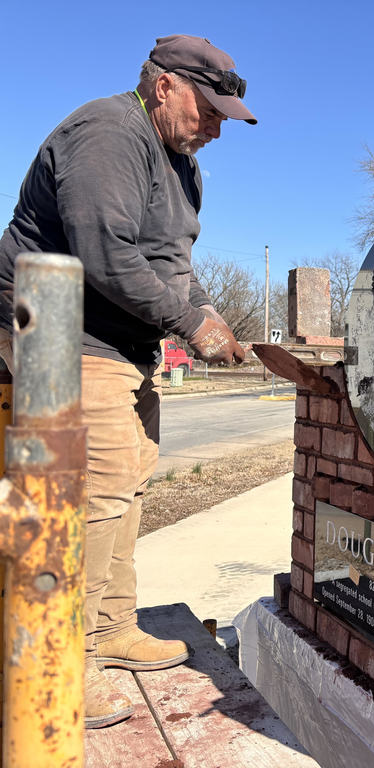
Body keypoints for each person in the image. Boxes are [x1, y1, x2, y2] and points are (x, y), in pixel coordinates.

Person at [0, 34, 255, 728]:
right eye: (208, 111)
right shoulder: (110, 131)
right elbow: (102, 251)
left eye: (224, 118)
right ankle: (59, 661)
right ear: (164, 86)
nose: (214, 129)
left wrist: (207, 316)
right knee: (101, 483)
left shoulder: (182, 166)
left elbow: (173, 264)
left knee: (135, 475)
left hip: (125, 341)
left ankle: (110, 626)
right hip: (60, 330)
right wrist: (187, 322)